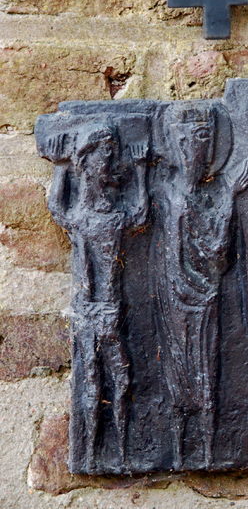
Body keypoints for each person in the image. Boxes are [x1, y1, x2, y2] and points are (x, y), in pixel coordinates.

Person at [151, 101, 248, 469]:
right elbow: (211, 248)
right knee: (180, 376)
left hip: (202, 299)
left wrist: (227, 197)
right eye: (192, 139)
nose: (198, 149)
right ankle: (181, 454)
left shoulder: (195, 194)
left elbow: (216, 253)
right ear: (177, 144)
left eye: (205, 139)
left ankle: (208, 454)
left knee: (205, 374)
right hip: (175, 300)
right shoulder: (169, 194)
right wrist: (229, 197)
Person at [47, 120, 149, 471]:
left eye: (111, 153)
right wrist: (60, 168)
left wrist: (141, 171)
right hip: (90, 312)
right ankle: (92, 454)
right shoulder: (82, 216)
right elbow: (58, 209)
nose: (109, 160)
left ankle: (120, 452)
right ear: (87, 160)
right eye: (103, 153)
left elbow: (140, 214)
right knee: (92, 381)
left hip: (110, 310)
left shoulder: (113, 214)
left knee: (121, 379)